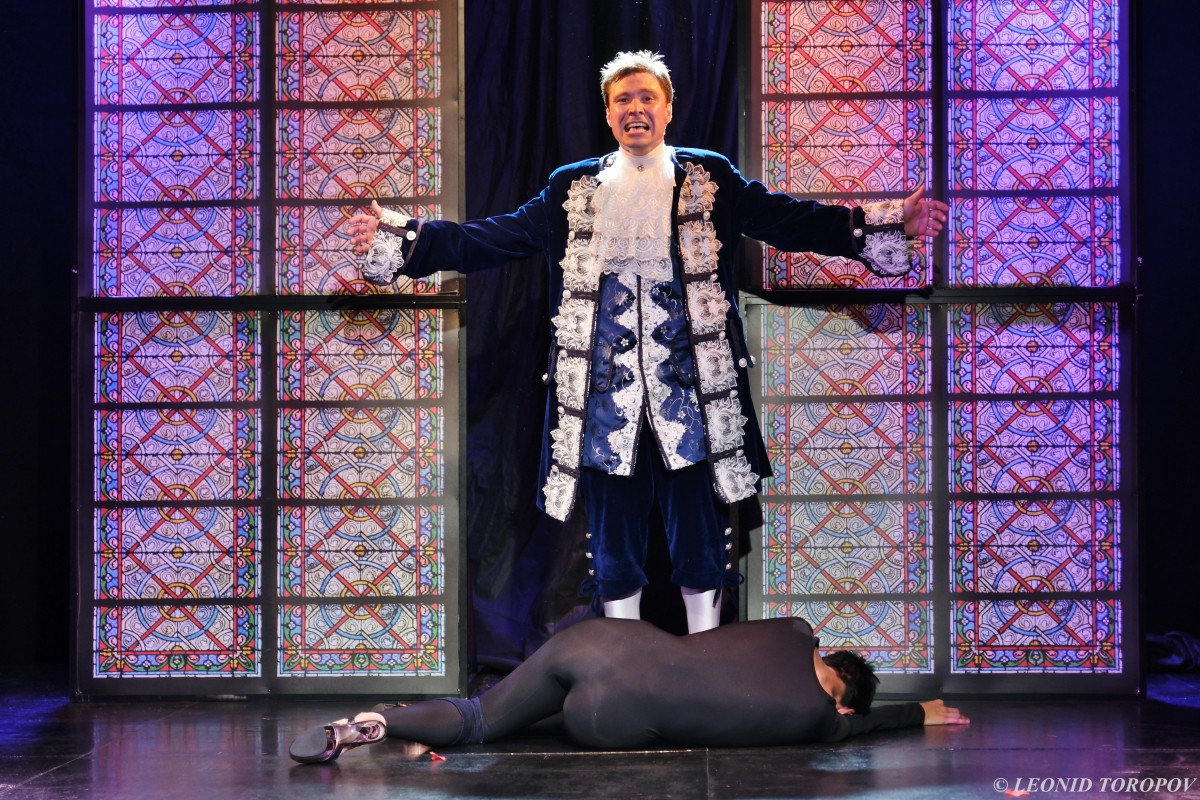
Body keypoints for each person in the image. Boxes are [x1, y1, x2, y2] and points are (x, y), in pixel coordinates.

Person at [347, 51, 949, 632]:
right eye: (622, 100)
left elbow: (787, 219)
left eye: (647, 98)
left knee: (700, 540)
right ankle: (623, 665)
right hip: (605, 403)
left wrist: (883, 222)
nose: (635, 109)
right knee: (614, 546)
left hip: (693, 398)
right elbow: (492, 238)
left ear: (668, 108)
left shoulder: (708, 176)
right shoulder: (571, 187)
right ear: (608, 113)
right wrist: (404, 239)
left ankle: (707, 655)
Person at [288, 616, 968, 763]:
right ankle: (407, 724)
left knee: (480, 716)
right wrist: (924, 712)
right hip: (613, 716)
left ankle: (376, 723)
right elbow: (868, 724)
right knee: (544, 721)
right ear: (843, 696)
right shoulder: (824, 720)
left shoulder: (793, 631)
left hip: (603, 641)